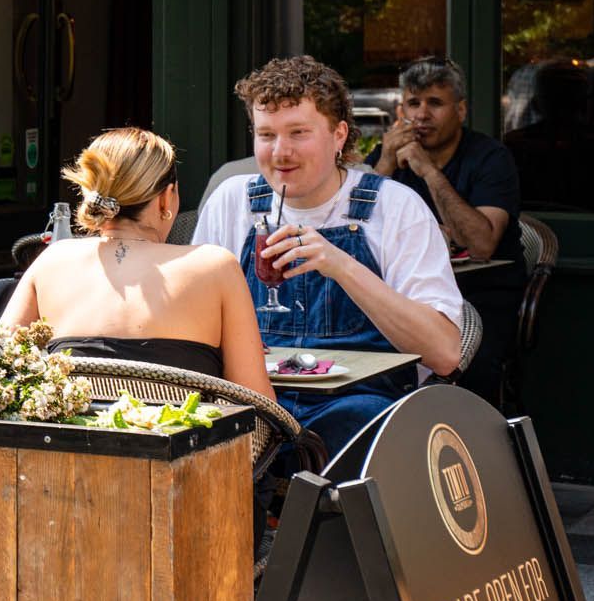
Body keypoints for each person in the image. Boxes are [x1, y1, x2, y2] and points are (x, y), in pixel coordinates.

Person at [194, 56, 463, 459]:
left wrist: (342, 266)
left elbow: (444, 354)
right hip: (255, 401)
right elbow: (195, 325)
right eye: (266, 135)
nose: (280, 152)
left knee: (369, 433)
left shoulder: (394, 207)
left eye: (298, 133)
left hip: (358, 404)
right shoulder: (233, 202)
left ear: (339, 135)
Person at [2, 127, 276, 400]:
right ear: (166, 198)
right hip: (181, 442)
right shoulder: (216, 267)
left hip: (70, 443)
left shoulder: (52, 261)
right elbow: (257, 402)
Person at [367, 56, 523, 400]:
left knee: (470, 368)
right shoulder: (388, 154)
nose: (422, 114)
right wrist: (386, 164)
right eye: (413, 103)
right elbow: (352, 228)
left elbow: (481, 244)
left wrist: (428, 171)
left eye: (435, 103)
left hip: (480, 295)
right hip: (405, 293)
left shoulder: (490, 157)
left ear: (461, 110)